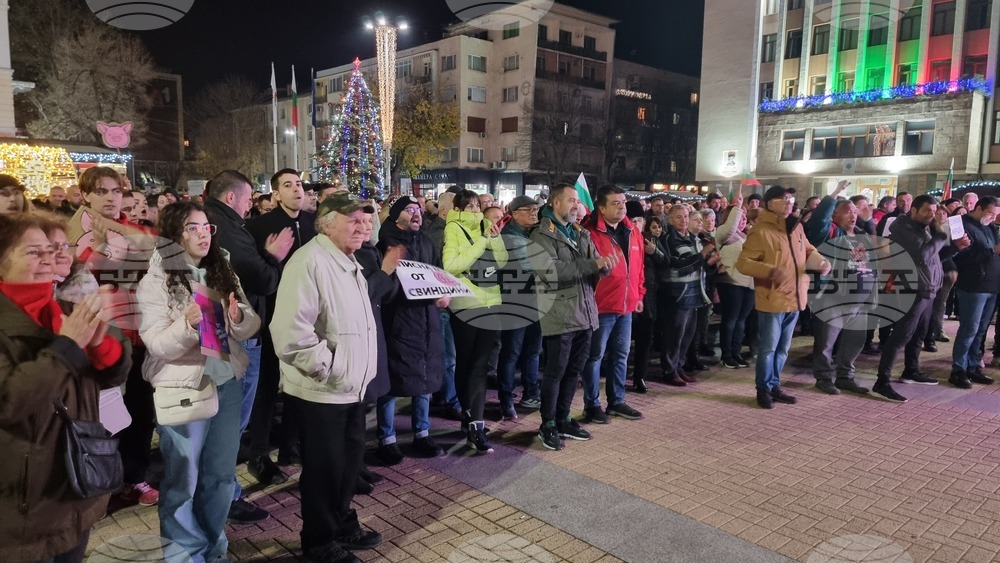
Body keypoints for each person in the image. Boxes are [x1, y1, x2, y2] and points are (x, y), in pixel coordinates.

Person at [0, 214, 131, 563]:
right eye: (33, 252)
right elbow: (9, 400)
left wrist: (102, 348)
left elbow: (114, 374)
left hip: (76, 489)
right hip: (25, 508)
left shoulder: (62, 307)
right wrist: (68, 346)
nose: (49, 258)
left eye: (52, 249)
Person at [137, 201, 260, 563]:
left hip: (226, 383)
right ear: (174, 234)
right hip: (185, 388)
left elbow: (250, 322)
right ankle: (183, 556)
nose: (203, 234)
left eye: (207, 227)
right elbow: (157, 343)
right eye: (193, 228)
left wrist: (238, 318)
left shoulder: (221, 269)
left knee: (220, 477)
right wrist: (188, 325)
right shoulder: (156, 280)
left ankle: (213, 547)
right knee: (183, 482)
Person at [271, 192, 383, 563]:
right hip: (322, 391)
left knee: (347, 465)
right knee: (324, 470)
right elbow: (291, 333)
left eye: (365, 220)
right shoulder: (309, 261)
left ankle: (342, 522)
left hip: (350, 388)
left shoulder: (349, 261)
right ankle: (319, 542)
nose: (362, 226)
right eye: (353, 219)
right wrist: (329, 369)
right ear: (327, 223)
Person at [67, 166, 160, 507]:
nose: (110, 197)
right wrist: (99, 249)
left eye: (116, 191)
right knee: (102, 413)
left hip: (138, 332)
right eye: (102, 191)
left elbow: (156, 256)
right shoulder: (73, 231)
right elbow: (73, 279)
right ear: (85, 195)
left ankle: (134, 477)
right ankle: (99, 478)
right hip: (99, 337)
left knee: (139, 410)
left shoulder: (132, 229)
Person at [204, 170, 293, 524]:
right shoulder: (225, 228)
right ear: (230, 198)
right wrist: (272, 256)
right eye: (247, 198)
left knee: (227, 421)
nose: (250, 205)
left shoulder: (220, 224)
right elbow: (263, 279)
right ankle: (224, 496)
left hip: (225, 331)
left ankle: (222, 491)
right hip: (236, 334)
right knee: (230, 423)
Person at [244, 168, 316, 485]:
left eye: (298, 184)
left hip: (308, 317)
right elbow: (254, 273)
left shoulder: (314, 224)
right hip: (272, 316)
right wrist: (269, 255)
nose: (296, 189)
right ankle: (259, 455)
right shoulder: (259, 227)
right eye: (288, 185)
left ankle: (291, 446)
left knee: (300, 385)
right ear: (275, 194)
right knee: (267, 387)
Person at [529, 183, 609, 450]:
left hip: (585, 313)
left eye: (577, 201)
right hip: (560, 314)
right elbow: (551, 271)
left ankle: (563, 418)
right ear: (555, 203)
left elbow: (595, 261)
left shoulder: (580, 232)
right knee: (555, 372)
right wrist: (593, 264)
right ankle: (548, 423)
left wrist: (605, 266)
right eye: (571, 200)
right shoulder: (541, 235)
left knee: (574, 371)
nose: (576, 205)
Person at [738, 186, 829, 409]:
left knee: (782, 349)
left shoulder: (796, 227)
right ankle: (763, 388)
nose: (789, 203)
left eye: (791, 199)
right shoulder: (761, 231)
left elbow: (809, 250)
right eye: (784, 199)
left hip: (795, 297)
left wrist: (820, 262)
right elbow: (743, 263)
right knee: (768, 348)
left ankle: (774, 385)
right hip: (773, 298)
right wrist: (769, 271)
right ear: (770, 203)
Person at [374, 197, 448, 464]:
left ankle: (422, 433)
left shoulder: (426, 242)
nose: (417, 213)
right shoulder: (386, 245)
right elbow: (385, 287)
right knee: (392, 383)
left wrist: (443, 292)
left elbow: (438, 273)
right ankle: (387, 438)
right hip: (399, 322)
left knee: (424, 378)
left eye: (418, 209)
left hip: (427, 321)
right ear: (396, 216)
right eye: (409, 209)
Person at [875, 195, 968, 402]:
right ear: (914, 210)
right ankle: (882, 381)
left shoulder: (922, 228)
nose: (931, 215)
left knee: (919, 334)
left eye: (933, 211)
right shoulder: (903, 228)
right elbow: (923, 255)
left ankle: (911, 370)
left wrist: (956, 248)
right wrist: (941, 234)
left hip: (927, 288)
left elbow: (934, 257)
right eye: (926, 210)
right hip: (911, 290)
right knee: (901, 335)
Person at [442, 189, 508, 453]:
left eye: (477, 206)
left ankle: (475, 424)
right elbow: (452, 265)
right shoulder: (453, 228)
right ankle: (469, 417)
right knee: (466, 364)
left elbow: (502, 261)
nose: (474, 210)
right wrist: (482, 241)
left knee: (480, 366)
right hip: (466, 305)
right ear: (458, 209)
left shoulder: (486, 225)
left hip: (491, 302)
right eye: (468, 206)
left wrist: (494, 237)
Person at [581, 187, 646, 423]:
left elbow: (639, 267)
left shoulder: (633, 231)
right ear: (601, 207)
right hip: (601, 306)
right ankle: (592, 405)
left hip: (626, 306)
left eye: (623, 202)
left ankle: (616, 401)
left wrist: (639, 294)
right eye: (615, 203)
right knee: (595, 356)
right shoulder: (590, 233)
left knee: (621, 355)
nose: (621, 207)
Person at [805, 181, 876, 396]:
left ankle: (845, 377)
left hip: (859, 299)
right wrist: (834, 194)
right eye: (847, 211)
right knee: (826, 343)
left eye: (855, 211)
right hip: (832, 298)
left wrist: (872, 295)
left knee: (855, 341)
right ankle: (824, 378)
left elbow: (871, 267)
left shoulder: (861, 237)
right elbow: (819, 220)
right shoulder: (829, 233)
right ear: (834, 216)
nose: (853, 215)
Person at [657, 205, 717, 386]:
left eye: (685, 216)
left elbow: (699, 265)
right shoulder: (668, 239)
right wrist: (702, 255)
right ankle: (669, 370)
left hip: (694, 294)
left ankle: (679, 367)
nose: (683, 220)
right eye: (678, 217)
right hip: (678, 295)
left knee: (687, 335)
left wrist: (710, 263)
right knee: (674, 336)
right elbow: (678, 266)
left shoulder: (693, 238)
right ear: (670, 220)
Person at [497, 195, 543, 417]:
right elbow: (529, 268)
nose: (534, 213)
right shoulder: (508, 237)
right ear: (514, 214)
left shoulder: (534, 234)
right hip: (515, 302)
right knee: (511, 352)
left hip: (535, 301)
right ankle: (506, 399)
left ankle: (531, 393)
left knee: (532, 351)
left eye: (536, 209)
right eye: (529, 210)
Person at [949, 196, 1000, 389]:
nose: (993, 218)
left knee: (981, 330)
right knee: (969, 328)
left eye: (996, 215)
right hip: (972, 284)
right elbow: (960, 254)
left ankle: (973, 366)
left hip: (991, 284)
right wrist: (992, 251)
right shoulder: (958, 223)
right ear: (978, 208)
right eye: (990, 213)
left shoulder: (990, 227)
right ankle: (958, 369)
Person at [422, 192, 463, 420]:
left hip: (455, 302)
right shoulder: (437, 235)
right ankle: (450, 399)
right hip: (445, 303)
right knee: (449, 356)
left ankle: (445, 394)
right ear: (446, 211)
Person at [716, 193, 754, 369]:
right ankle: (726, 354)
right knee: (730, 319)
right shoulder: (724, 234)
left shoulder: (746, 237)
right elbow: (730, 227)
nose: (743, 219)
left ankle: (736, 352)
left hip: (748, 284)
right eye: (740, 216)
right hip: (731, 283)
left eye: (745, 217)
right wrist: (737, 207)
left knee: (741, 320)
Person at [631, 212, 666, 390]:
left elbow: (665, 262)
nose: (637, 223)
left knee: (644, 340)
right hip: (629, 296)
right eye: (633, 220)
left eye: (639, 220)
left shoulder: (650, 240)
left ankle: (639, 376)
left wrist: (654, 252)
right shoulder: (623, 238)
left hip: (648, 296)